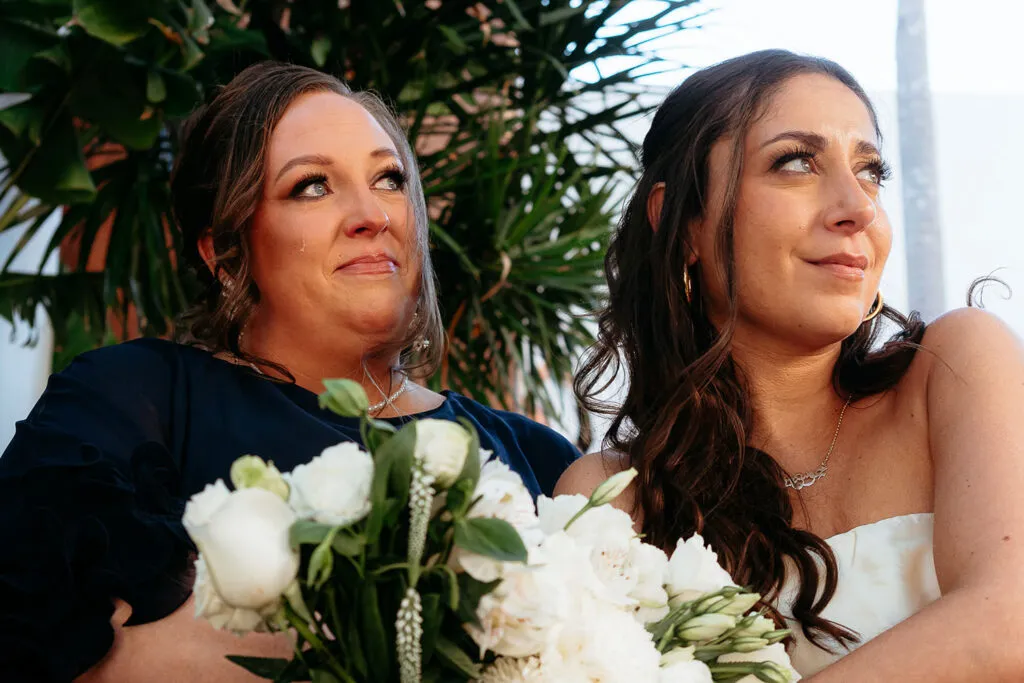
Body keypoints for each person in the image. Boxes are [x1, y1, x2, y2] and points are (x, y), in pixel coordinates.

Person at [0, 62, 579, 683]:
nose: (371, 215)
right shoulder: (134, 403)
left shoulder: (537, 459)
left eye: (389, 179)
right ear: (224, 253)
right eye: (312, 186)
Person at [560, 50, 1024, 681]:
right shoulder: (615, 503)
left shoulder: (958, 367)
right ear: (681, 222)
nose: (857, 208)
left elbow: (1008, 623)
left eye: (870, 171)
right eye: (796, 163)